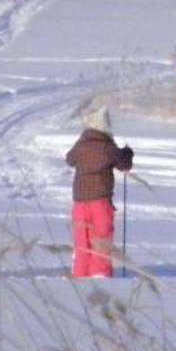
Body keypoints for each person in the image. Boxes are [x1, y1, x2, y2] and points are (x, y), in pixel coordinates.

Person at [65, 104, 133, 278]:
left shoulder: (80, 146)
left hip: (79, 201)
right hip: (100, 201)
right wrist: (127, 153)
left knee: (82, 241)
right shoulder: (107, 147)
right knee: (101, 239)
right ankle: (100, 275)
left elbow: (69, 159)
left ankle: (80, 274)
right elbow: (124, 165)